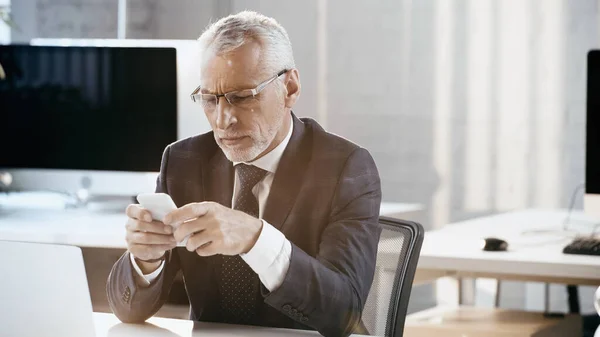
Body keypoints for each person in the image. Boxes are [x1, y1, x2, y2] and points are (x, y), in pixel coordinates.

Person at [106, 11, 382, 337]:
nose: (223, 120)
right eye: (209, 99)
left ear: (289, 88)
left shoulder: (346, 167)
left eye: (241, 98)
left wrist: (256, 238)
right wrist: (145, 261)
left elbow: (343, 313)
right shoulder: (184, 161)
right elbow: (128, 310)